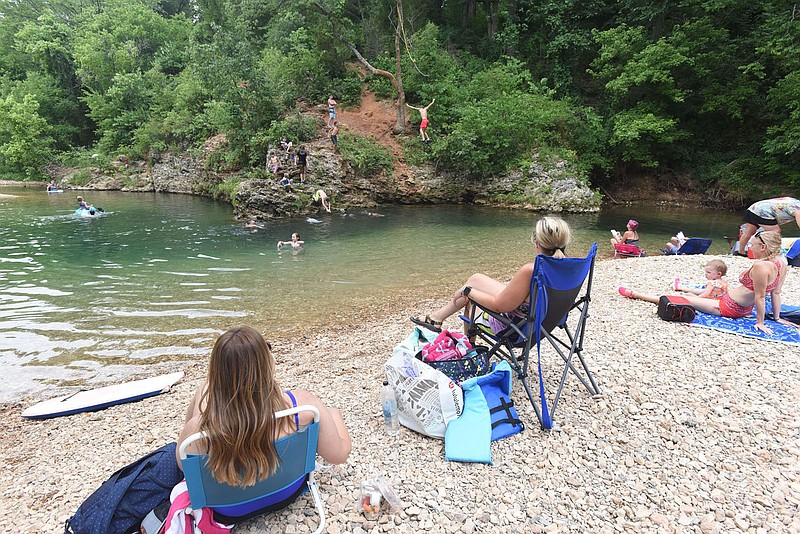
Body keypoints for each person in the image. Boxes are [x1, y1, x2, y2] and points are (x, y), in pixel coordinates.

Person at [176, 326, 351, 492]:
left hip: (228, 510)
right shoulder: (302, 407)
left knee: (203, 393)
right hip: (287, 491)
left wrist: (199, 419)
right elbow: (339, 455)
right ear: (266, 364)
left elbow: (185, 468)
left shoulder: (198, 431)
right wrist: (335, 416)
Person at [410, 217, 572, 333]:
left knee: (470, 298)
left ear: (537, 244)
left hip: (517, 327)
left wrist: (467, 291)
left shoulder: (531, 270)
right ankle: (436, 318)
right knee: (476, 279)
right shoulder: (569, 267)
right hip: (546, 319)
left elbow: (498, 306)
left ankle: (470, 350)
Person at [619, 231, 798, 334]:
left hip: (729, 307)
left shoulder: (760, 266)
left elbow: (760, 296)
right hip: (740, 306)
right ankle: (681, 292)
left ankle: (636, 294)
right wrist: (776, 318)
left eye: (753, 244)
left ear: (763, 247)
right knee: (696, 294)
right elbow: (775, 293)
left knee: (679, 299)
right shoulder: (781, 264)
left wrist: (760, 322)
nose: (750, 247)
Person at [736, 197, 800, 257]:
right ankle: (772, 252)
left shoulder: (795, 202)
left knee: (748, 233)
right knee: (775, 231)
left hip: (754, 208)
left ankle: (741, 252)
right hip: (763, 212)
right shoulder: (797, 209)